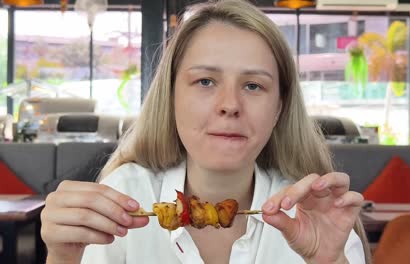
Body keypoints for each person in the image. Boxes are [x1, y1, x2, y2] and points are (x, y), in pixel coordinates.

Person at [40, 0, 371, 263]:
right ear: (171, 97)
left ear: (279, 108)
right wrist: (63, 258)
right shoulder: (126, 193)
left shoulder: (314, 214)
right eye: (205, 81)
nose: (230, 104)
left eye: (254, 85)